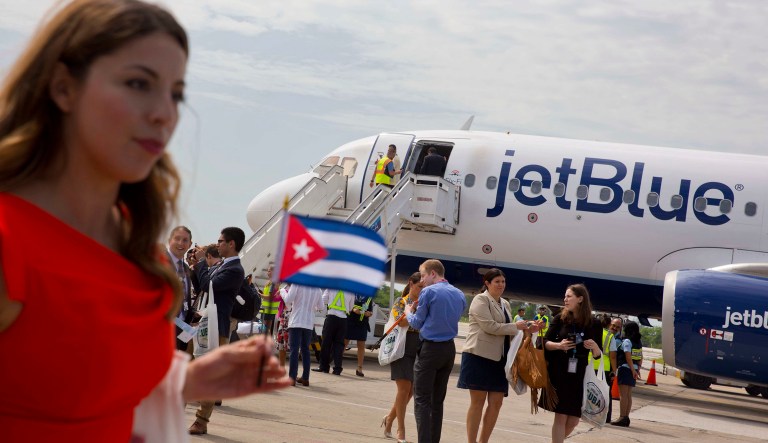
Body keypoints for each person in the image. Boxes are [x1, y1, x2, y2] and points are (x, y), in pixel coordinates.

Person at [0, 1, 290, 440]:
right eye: (139, 83)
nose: (164, 113)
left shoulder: (135, 241)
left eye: (175, 93)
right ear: (63, 87)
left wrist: (189, 382)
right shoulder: (11, 240)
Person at [459, 268, 537, 443]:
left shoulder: (505, 304)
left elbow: (509, 331)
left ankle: (483, 441)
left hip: (500, 360)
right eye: (497, 282)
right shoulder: (480, 300)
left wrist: (528, 328)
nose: (501, 285)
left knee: (496, 404)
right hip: (479, 357)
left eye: (503, 281)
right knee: (477, 403)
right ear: (487, 283)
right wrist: (517, 326)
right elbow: (490, 327)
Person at [189, 226, 247, 434]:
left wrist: (204, 262)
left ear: (231, 244)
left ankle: (201, 420)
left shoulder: (235, 270)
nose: (218, 243)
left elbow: (209, 285)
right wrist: (197, 266)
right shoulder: (221, 265)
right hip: (200, 324)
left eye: (221, 241)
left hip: (216, 328)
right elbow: (201, 284)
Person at [405, 259, 467, 443]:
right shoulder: (459, 294)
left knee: (422, 400)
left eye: (423, 275)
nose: (422, 280)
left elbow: (417, 322)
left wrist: (409, 310)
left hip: (430, 349)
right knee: (437, 401)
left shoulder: (428, 292)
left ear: (433, 273)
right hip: (448, 349)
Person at [539, 284, 602, 443]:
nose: (565, 299)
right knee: (560, 416)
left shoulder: (594, 323)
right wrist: (558, 345)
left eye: (569, 296)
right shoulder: (560, 318)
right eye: (565, 296)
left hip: (579, 374)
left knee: (573, 420)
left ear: (580, 299)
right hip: (559, 371)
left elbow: (598, 355)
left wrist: (594, 347)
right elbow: (542, 342)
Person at [382, 272, 423, 443]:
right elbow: (403, 322)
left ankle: (390, 418)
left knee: (412, 390)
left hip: (419, 347)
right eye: (420, 286)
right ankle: (401, 429)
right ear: (411, 284)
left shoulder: (425, 303)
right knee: (404, 388)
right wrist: (413, 309)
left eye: (425, 287)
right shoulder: (402, 301)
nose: (422, 290)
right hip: (402, 346)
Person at [283, 283, 325, 386]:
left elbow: (288, 299)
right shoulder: (317, 288)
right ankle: (305, 378)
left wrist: (282, 291)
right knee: (305, 350)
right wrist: (312, 307)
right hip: (308, 322)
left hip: (296, 320)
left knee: (294, 349)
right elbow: (321, 306)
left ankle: (292, 377)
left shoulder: (297, 284)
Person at [313, 289, 356, 375]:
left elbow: (323, 301)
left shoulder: (331, 287)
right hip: (343, 319)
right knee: (339, 345)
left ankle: (324, 367)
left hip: (331, 317)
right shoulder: (351, 290)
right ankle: (337, 369)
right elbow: (351, 308)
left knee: (326, 343)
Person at [166, 225, 195, 352]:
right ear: (169, 240)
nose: (180, 243)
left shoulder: (186, 268)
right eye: (177, 238)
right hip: (165, 327)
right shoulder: (159, 264)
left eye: (185, 240)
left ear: (190, 244)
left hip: (183, 328)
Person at [611, 321, 643, 427]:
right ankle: (626, 417)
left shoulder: (627, 341)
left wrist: (633, 371)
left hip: (625, 369)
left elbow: (628, 356)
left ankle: (622, 417)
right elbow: (640, 357)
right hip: (634, 369)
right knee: (628, 395)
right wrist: (637, 369)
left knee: (623, 395)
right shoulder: (638, 342)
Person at [594, 314, 618, 423]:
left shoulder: (593, 333)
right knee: (605, 393)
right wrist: (614, 370)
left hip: (591, 365)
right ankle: (606, 417)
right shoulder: (610, 336)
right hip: (604, 367)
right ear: (609, 325)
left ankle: (588, 412)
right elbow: (612, 356)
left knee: (590, 390)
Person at [345, 293, 374, 376]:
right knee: (345, 342)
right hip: (351, 321)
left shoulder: (368, 297)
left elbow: (370, 312)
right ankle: (338, 364)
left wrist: (368, 313)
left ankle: (359, 368)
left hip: (362, 323)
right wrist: (353, 309)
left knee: (361, 345)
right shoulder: (353, 294)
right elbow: (348, 306)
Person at [260, 264, 280, 336]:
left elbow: (271, 297)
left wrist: (261, 295)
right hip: (266, 309)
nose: (267, 273)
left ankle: (267, 345)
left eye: (269, 271)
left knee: (266, 329)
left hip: (269, 310)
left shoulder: (274, 282)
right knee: (264, 329)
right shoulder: (269, 282)